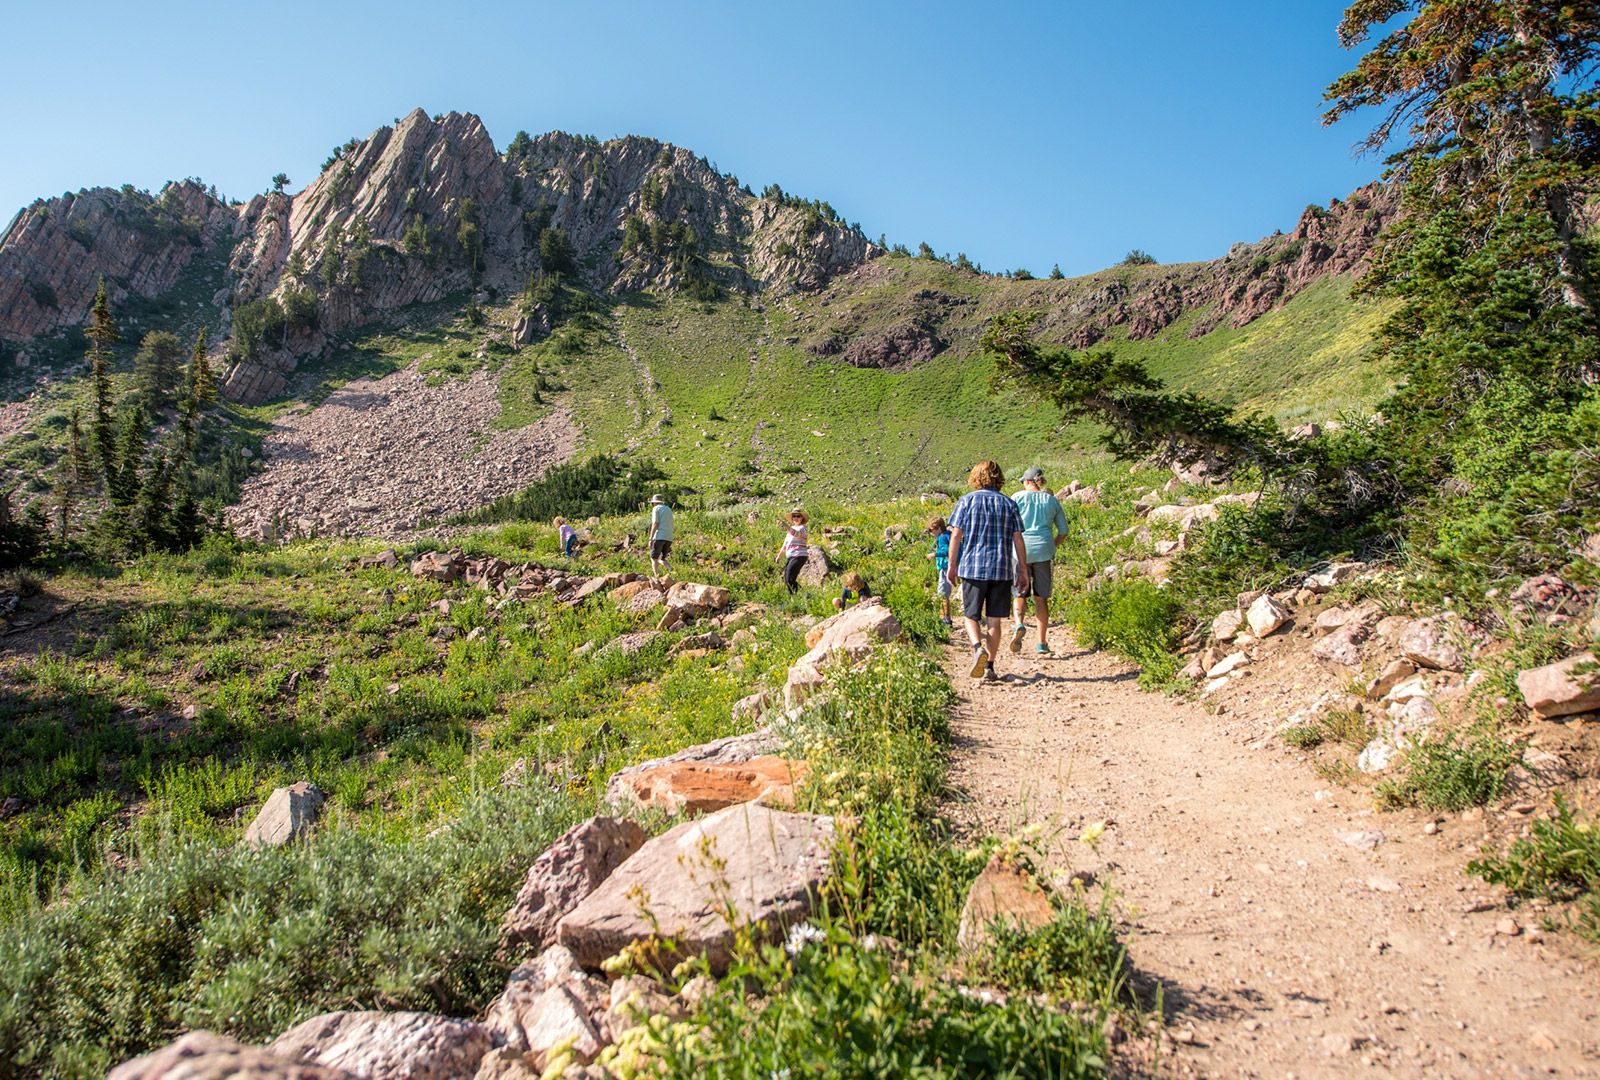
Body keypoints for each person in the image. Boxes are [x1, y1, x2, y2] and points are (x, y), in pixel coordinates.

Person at [947, 460, 1029, 682]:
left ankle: (976, 648)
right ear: (998, 478)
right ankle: (990, 666)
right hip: (1002, 568)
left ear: (976, 477)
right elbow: (1018, 539)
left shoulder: (966, 502)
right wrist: (1022, 570)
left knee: (970, 615)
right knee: (995, 620)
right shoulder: (1009, 504)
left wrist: (951, 565)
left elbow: (955, 535)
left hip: (973, 567)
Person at [1009, 467, 1071, 655]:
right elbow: (1064, 531)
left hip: (1021, 551)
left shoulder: (1017, 497)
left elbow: (1008, 525)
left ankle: (1019, 624)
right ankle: (1041, 643)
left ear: (1027, 482)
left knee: (1019, 593)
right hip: (1044, 550)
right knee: (1041, 598)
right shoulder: (1051, 500)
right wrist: (1052, 545)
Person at [924, 517, 953, 626]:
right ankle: (946, 617)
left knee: (942, 593)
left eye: (931, 530)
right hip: (949, 566)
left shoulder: (942, 537)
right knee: (944, 593)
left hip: (945, 568)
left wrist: (934, 554)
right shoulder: (948, 535)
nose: (931, 533)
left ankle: (945, 619)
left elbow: (946, 551)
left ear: (938, 528)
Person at [779, 508, 810, 593]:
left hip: (799, 555)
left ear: (802, 518)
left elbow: (797, 534)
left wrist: (786, 526)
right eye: (794, 516)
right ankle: (800, 596)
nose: (796, 518)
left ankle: (802, 596)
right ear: (792, 518)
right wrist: (779, 556)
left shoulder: (803, 528)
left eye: (798, 516)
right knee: (787, 578)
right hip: (791, 556)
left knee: (789, 578)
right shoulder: (791, 529)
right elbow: (785, 544)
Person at [647, 493, 674, 579]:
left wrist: (650, 538)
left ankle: (657, 577)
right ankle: (669, 570)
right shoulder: (668, 509)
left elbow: (655, 523)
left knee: (653, 558)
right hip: (669, 537)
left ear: (654, 502)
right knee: (661, 558)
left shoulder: (656, 509)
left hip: (659, 536)